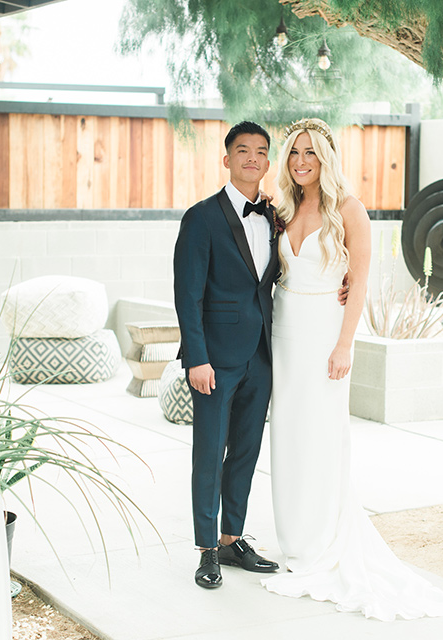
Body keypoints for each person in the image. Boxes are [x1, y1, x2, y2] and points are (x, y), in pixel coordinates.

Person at [261, 118, 443, 620]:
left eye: (310, 153)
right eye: (294, 153)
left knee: (321, 435)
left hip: (324, 334)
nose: (301, 161)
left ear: (326, 158)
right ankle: (296, 543)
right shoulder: (283, 208)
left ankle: (322, 543)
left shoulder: (349, 210)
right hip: (284, 331)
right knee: (287, 435)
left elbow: (358, 284)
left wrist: (344, 345)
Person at [173, 121, 281, 589]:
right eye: (243, 150)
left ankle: (232, 539)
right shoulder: (201, 218)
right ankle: (205, 550)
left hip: (261, 356)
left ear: (267, 162)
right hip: (214, 360)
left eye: (260, 151)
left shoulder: (275, 216)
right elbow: (187, 293)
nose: (252, 158)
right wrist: (196, 358)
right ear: (227, 159)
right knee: (208, 453)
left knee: (246, 453)